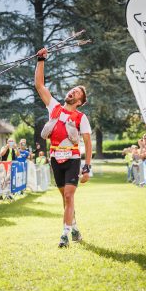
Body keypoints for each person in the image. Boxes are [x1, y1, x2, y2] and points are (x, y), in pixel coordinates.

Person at [35, 47, 92, 248]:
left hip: (73, 160)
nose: (71, 91)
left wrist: (87, 167)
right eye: (72, 89)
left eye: (76, 92)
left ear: (79, 101)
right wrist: (41, 59)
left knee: (69, 196)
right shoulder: (55, 107)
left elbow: (87, 142)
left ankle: (64, 235)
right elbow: (39, 85)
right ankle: (74, 227)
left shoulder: (81, 118)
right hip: (54, 158)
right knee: (65, 199)